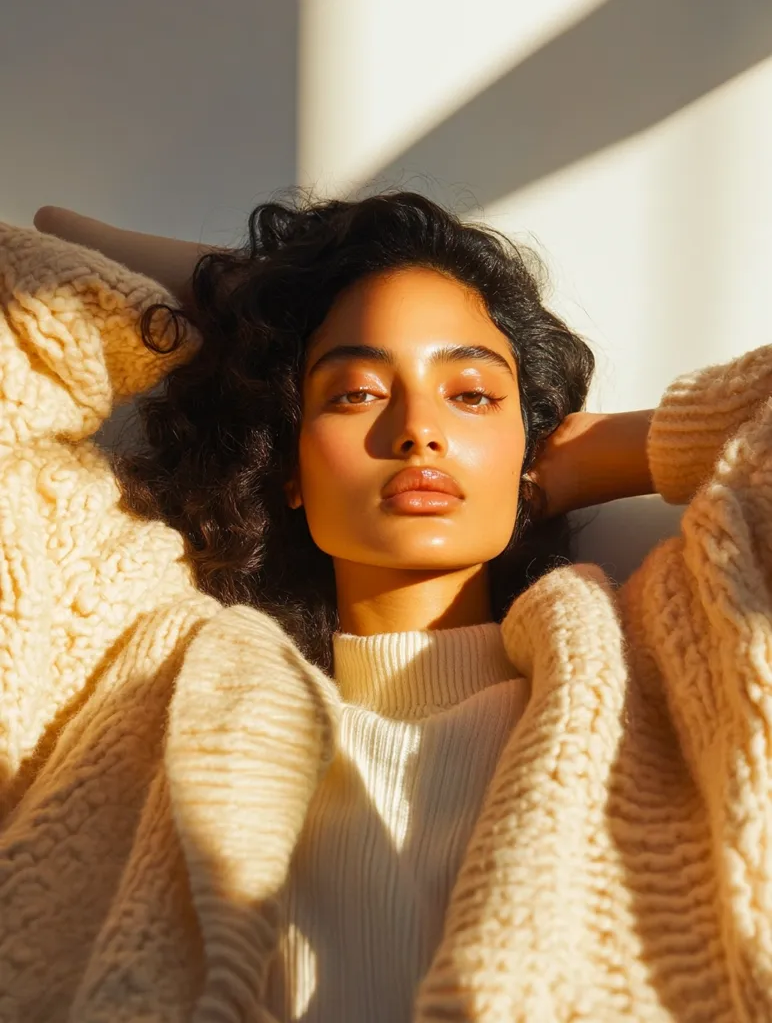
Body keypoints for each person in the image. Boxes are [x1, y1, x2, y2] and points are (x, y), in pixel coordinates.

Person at [0, 192, 769, 1023]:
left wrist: (604, 456)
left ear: (528, 445)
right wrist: (245, 301)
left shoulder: (665, 679)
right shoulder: (142, 676)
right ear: (288, 466)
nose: (417, 430)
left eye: (472, 395)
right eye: (355, 393)